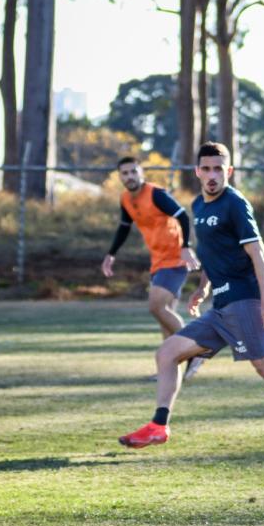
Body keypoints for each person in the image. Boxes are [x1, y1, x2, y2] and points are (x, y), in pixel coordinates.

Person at [117, 142, 264, 457]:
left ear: (229, 171)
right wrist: (203, 287)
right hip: (219, 308)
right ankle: (159, 426)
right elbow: (212, 253)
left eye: (219, 169)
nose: (212, 175)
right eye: (206, 168)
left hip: (244, 302)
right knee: (167, 353)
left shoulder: (235, 203)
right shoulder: (199, 206)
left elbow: (258, 252)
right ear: (197, 172)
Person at [102, 156, 206, 380]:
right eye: (125, 173)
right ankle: (169, 371)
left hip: (175, 260)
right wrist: (111, 254)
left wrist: (186, 247)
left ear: (141, 173)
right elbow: (123, 228)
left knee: (156, 306)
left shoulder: (156, 194)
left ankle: (197, 350)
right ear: (119, 176)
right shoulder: (126, 200)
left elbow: (183, 217)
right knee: (164, 320)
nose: (129, 176)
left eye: (133, 172)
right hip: (157, 261)